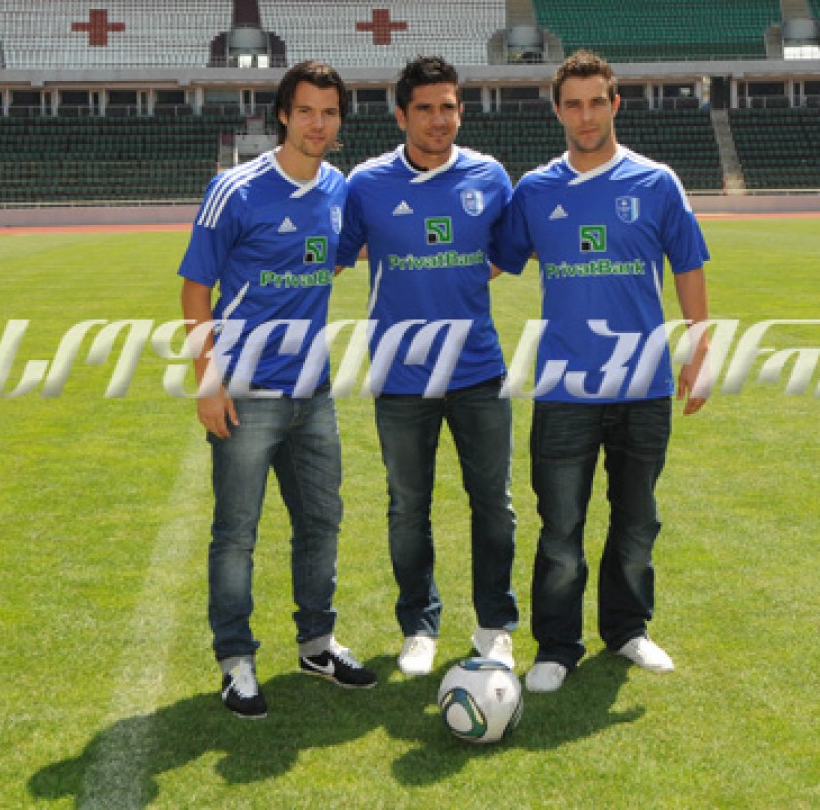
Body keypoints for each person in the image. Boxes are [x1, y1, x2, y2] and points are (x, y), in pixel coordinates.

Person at [491, 50, 711, 693]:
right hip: (565, 388)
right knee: (561, 527)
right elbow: (495, 261)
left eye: (596, 102)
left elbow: (687, 265)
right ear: (558, 111)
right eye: (573, 104)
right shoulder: (535, 190)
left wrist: (700, 349)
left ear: (615, 104)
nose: (585, 116)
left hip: (644, 385)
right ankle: (557, 647)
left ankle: (628, 629)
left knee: (637, 521)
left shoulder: (657, 182)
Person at [178, 59, 376, 719]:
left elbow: (341, 258)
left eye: (330, 112)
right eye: (306, 111)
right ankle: (236, 660)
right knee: (236, 534)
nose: (318, 124)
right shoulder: (234, 189)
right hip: (244, 389)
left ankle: (317, 644)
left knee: (320, 523)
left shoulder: (340, 188)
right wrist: (208, 381)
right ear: (283, 115)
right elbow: (195, 291)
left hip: (313, 392)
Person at [336, 55, 519, 676]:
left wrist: (457, 278)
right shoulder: (366, 183)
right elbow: (333, 256)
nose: (438, 119)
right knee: (408, 508)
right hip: (401, 377)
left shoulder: (490, 175)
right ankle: (419, 626)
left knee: (493, 504)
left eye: (448, 107)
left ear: (460, 111)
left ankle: (494, 625)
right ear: (401, 116)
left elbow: (504, 254)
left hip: (478, 371)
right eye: (425, 109)